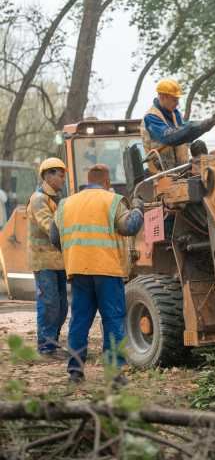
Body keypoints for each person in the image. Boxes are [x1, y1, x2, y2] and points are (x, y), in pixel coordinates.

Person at [50, 164, 144, 384]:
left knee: (79, 321)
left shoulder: (66, 204)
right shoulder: (112, 201)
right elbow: (129, 227)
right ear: (107, 182)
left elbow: (55, 238)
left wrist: (76, 253)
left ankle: (75, 373)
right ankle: (115, 374)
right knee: (113, 320)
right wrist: (139, 208)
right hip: (107, 271)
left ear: (87, 180)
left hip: (78, 270)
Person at [26, 158, 68, 357]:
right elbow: (51, 228)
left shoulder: (56, 199)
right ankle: (46, 347)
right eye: (60, 176)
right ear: (48, 176)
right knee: (49, 302)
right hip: (43, 261)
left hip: (58, 261)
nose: (63, 180)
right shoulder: (38, 199)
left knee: (61, 305)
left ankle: (53, 342)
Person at [141, 78, 215, 171]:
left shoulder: (175, 114)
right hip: (161, 175)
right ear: (162, 97)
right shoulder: (151, 117)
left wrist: (195, 145)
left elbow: (183, 135)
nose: (177, 103)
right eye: (174, 100)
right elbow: (169, 137)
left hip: (181, 171)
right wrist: (201, 125)